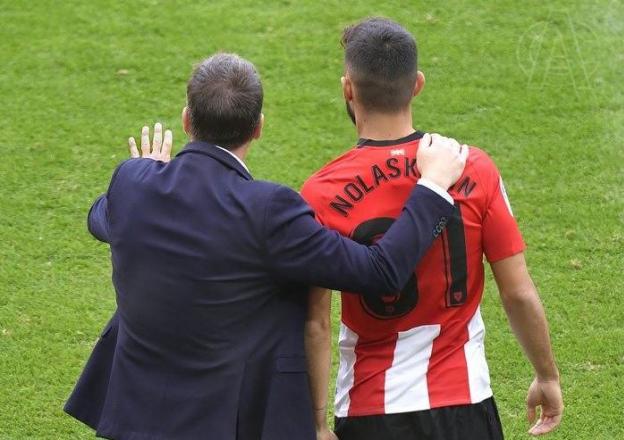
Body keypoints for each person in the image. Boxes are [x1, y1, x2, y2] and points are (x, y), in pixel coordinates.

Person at [64, 52, 469, 440]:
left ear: (187, 120)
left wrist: (151, 173)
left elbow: (102, 218)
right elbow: (379, 270)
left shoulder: (133, 185)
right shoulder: (270, 211)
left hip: (139, 417)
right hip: (229, 424)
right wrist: (432, 187)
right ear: (258, 126)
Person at [301, 18, 564, 440]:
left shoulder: (321, 193)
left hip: (370, 410)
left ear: (348, 88)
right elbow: (517, 291)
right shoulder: (474, 168)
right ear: (417, 84)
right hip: (465, 406)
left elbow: (315, 322)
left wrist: (315, 423)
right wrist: (546, 375)